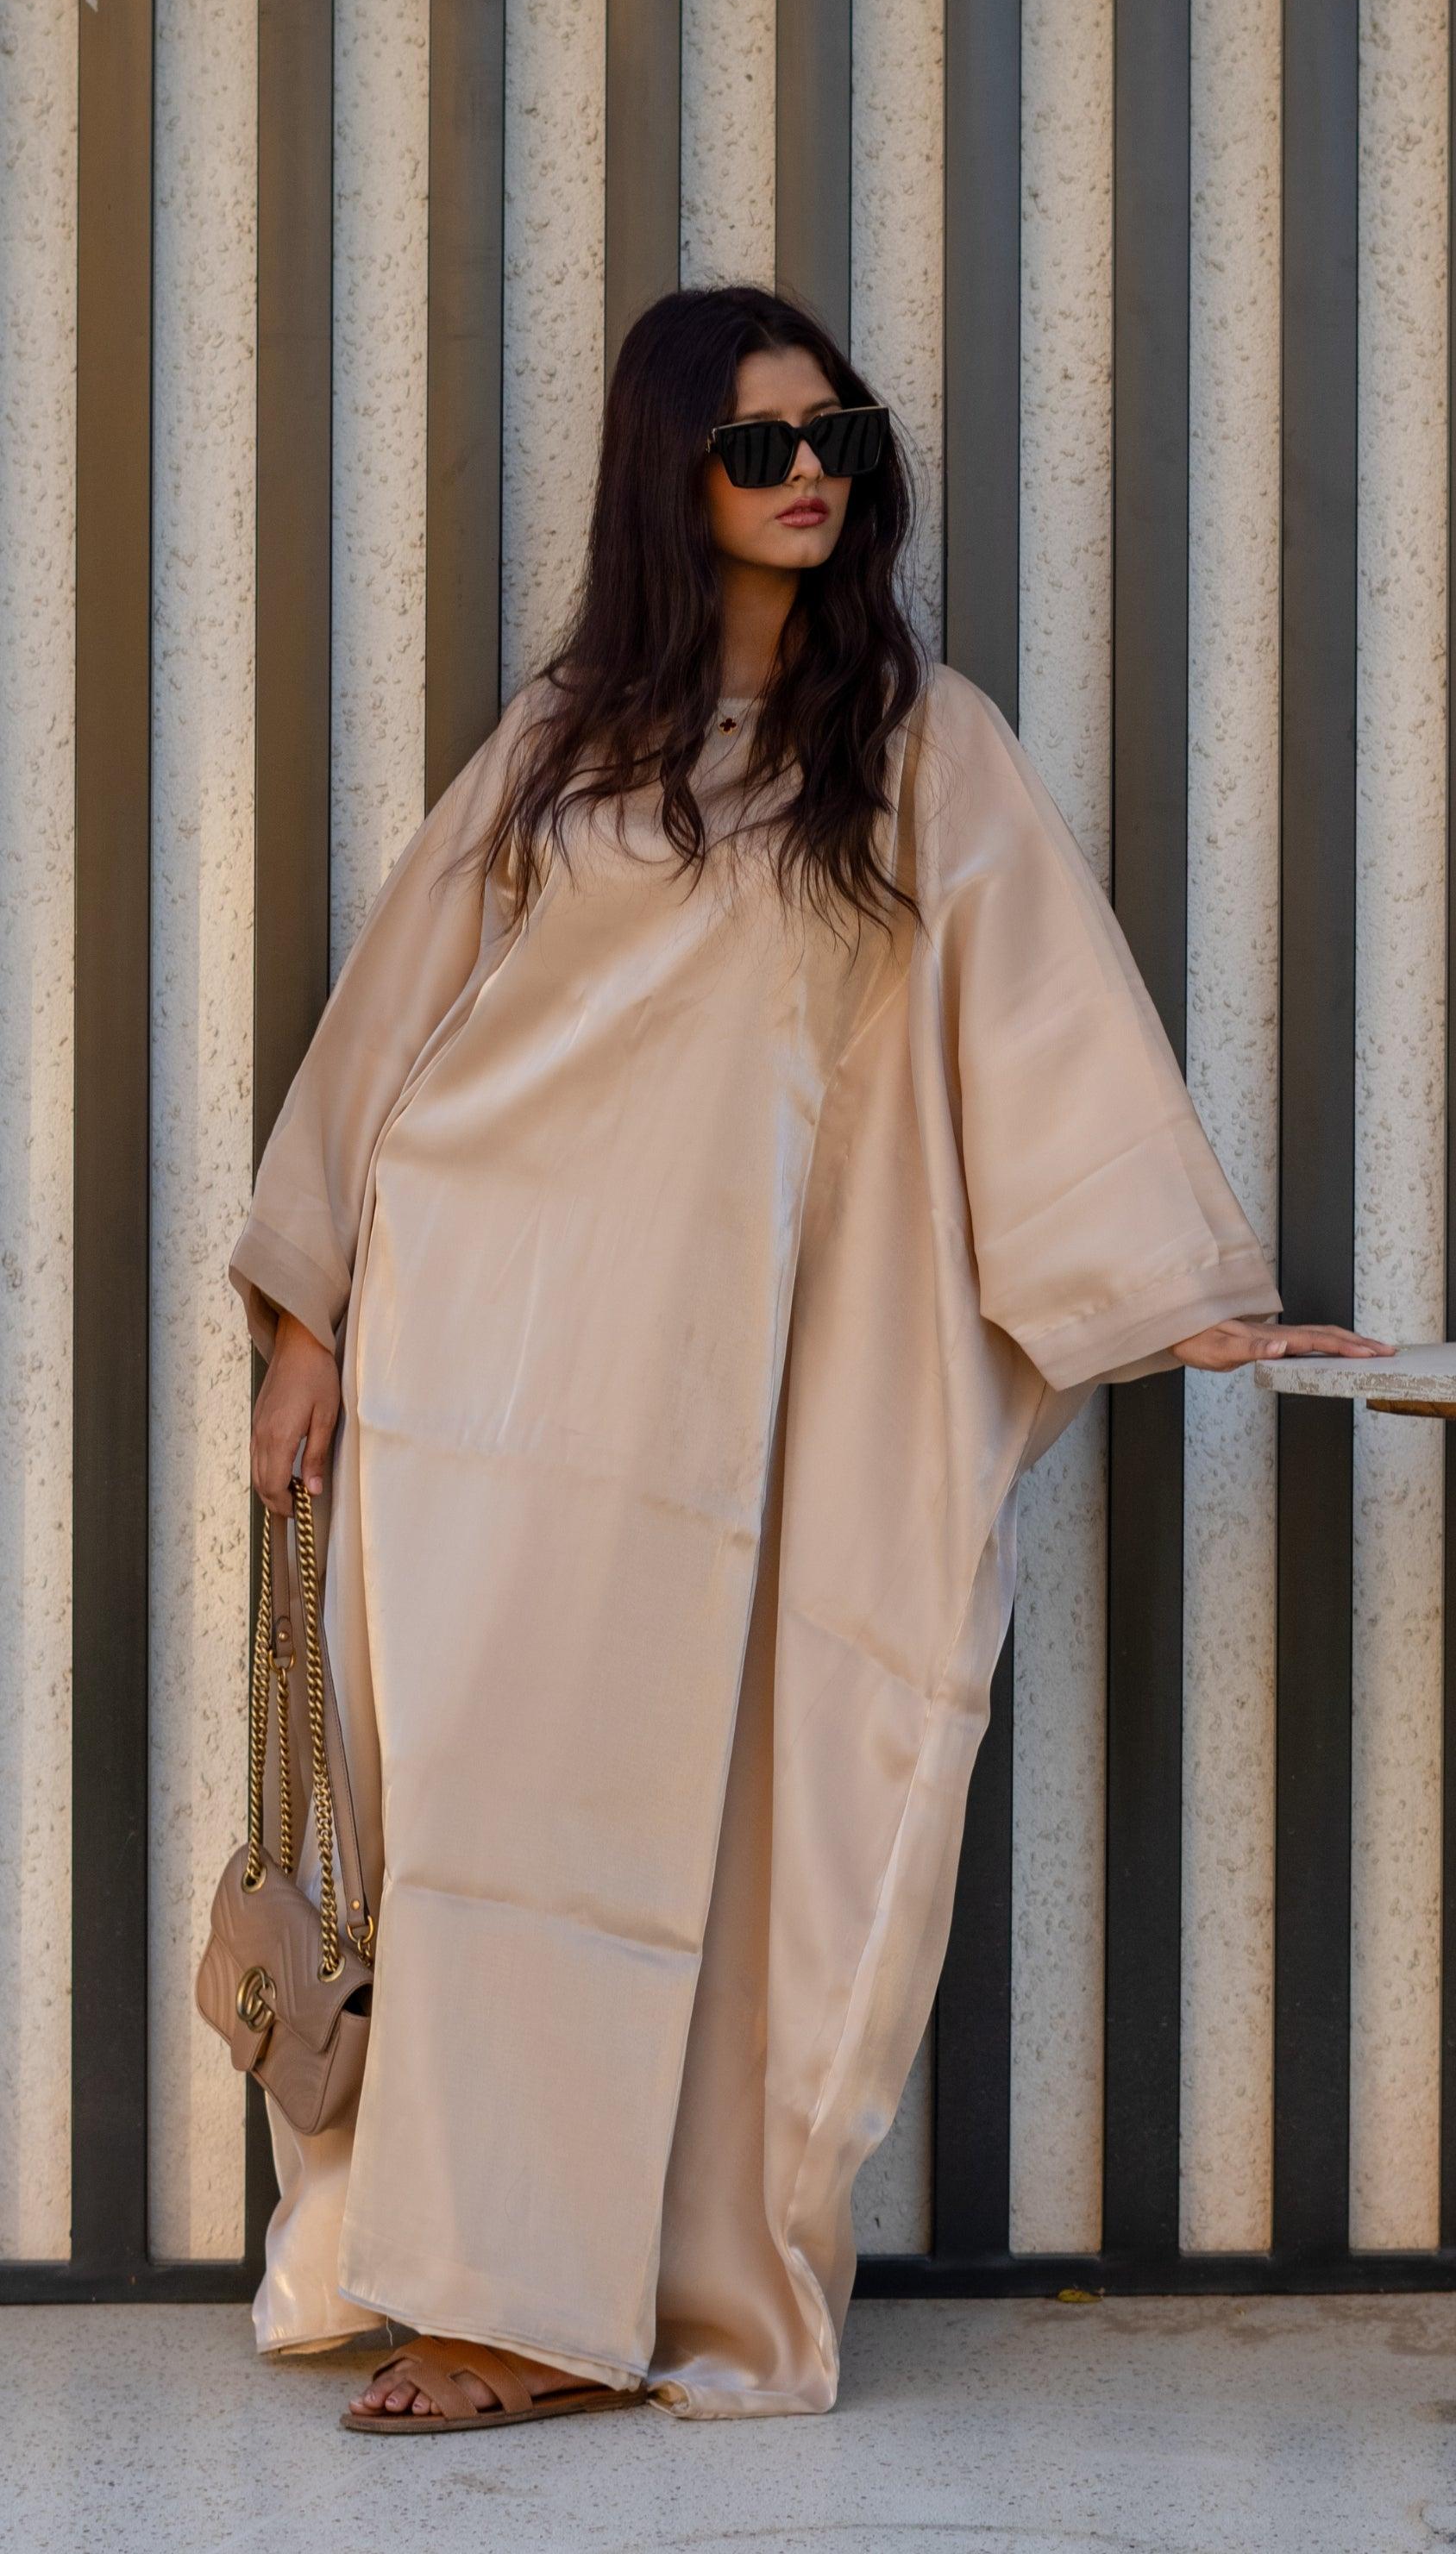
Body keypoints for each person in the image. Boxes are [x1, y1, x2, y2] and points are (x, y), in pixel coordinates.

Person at [228, 284, 1392, 2433]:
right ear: (667, 476)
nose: (805, 477)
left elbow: (1044, 1037)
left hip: (737, 1404)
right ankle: (468, 2277)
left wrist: (1182, 1300)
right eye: (755, 444)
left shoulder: (918, 746)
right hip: (485, 1381)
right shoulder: (567, 741)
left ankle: (588, 2303)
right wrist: (308, 1329)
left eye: (832, 433)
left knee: (725, 1843)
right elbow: (390, 1035)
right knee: (483, 1832)